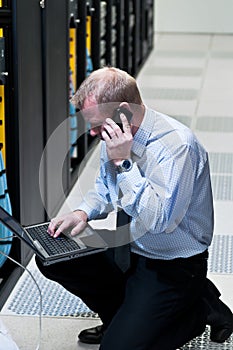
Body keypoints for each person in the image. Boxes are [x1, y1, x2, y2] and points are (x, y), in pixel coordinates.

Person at [36, 67, 233, 349]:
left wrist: (124, 163)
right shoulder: (115, 133)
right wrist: (81, 213)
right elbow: (105, 189)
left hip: (169, 263)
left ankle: (196, 310)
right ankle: (118, 316)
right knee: (52, 255)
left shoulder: (177, 147)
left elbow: (159, 221)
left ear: (124, 112)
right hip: (128, 246)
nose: (92, 132)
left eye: (96, 124)